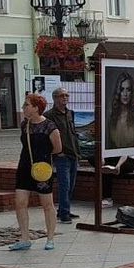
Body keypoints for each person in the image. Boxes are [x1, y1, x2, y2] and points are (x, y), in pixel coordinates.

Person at [11, 93, 61, 251]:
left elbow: (58, 148)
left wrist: (44, 158)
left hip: (42, 169)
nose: (23, 108)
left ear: (36, 107)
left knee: (47, 204)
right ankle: (24, 238)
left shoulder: (50, 127)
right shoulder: (24, 124)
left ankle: (50, 238)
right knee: (20, 202)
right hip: (25, 166)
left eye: (26, 105)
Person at [45, 87, 79, 224]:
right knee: (64, 184)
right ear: (55, 98)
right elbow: (47, 136)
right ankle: (64, 213)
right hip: (61, 155)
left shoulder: (70, 113)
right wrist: (57, 152)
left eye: (66, 95)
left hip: (73, 153)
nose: (65, 98)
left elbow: (73, 132)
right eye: (61, 96)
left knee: (71, 185)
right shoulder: (49, 115)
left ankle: (64, 209)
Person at [106, 72, 134, 150]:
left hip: (132, 157)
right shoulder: (112, 115)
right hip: (114, 158)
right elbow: (109, 144)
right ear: (118, 92)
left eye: (128, 89)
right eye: (122, 89)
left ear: (132, 92)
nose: (125, 94)